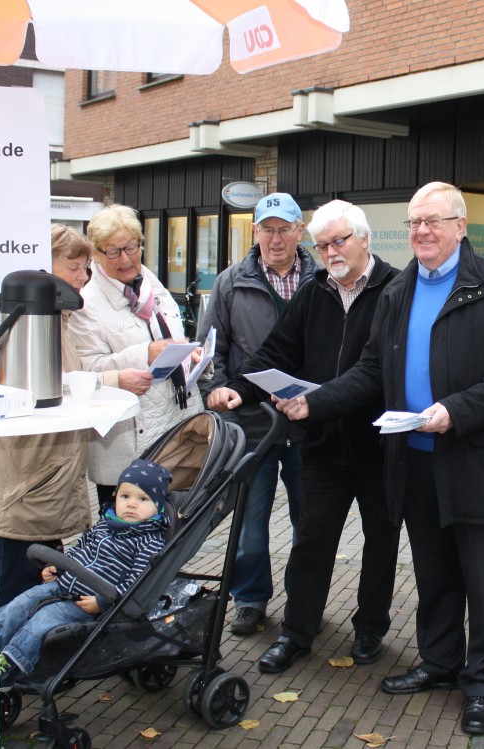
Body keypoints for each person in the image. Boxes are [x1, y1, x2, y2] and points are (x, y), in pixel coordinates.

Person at [275, 183, 484, 735]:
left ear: (461, 225)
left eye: (434, 221)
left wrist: (457, 410)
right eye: (415, 221)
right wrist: (315, 402)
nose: (422, 231)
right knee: (434, 571)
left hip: (476, 456)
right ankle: (441, 662)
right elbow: (372, 369)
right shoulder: (399, 292)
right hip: (414, 457)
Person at [208, 200, 401, 673]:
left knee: (380, 541)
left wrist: (318, 402)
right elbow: (277, 352)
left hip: (379, 445)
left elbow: (376, 372)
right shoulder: (314, 292)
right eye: (323, 244)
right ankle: (297, 632)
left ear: (364, 239)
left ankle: (370, 627)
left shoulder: (397, 289)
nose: (332, 251)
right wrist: (236, 389)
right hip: (321, 445)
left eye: (340, 240)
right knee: (311, 541)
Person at [0, 224, 152, 612]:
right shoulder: (21, 325)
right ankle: (2, 662)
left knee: (31, 582)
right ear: (42, 268)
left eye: (85, 267)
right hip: (21, 489)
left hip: (36, 487)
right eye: (75, 267)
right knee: (15, 589)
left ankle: (18, 658)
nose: (84, 276)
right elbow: (32, 392)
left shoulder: (51, 319)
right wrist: (112, 380)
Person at [198, 192, 317, 635]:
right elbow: (211, 348)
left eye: (284, 228)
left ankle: (305, 601)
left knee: (310, 521)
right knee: (250, 522)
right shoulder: (231, 281)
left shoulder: (321, 277)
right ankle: (249, 599)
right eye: (267, 229)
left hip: (307, 424)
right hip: (249, 425)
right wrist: (215, 389)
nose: (276, 238)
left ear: (299, 232)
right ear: (255, 232)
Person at [0, 459, 172, 691]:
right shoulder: (105, 524)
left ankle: (10, 665)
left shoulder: (149, 541)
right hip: (65, 582)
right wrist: (59, 568)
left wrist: (104, 602)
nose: (131, 505)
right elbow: (80, 550)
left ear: (157, 506)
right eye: (125, 496)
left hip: (87, 600)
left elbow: (139, 580)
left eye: (143, 499)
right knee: (21, 603)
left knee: (43, 620)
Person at [68, 205, 203, 508]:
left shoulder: (148, 281)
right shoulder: (86, 303)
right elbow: (88, 370)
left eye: (132, 247)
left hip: (175, 429)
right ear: (96, 253)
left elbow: (169, 334)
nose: (127, 259)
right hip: (129, 439)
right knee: (126, 538)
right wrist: (145, 353)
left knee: (171, 536)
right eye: (114, 251)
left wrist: (187, 355)